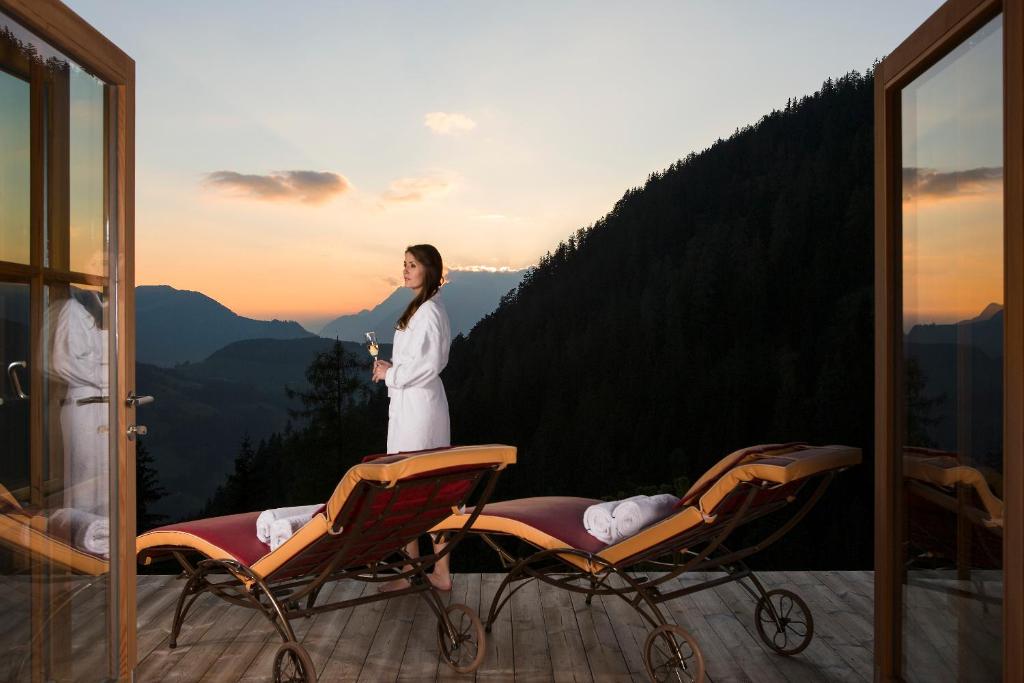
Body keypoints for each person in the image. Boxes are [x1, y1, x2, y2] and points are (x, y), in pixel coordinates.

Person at [372, 244, 453, 591]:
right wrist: (391, 369)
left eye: (412, 265)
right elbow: (416, 362)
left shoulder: (430, 312)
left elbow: (429, 364)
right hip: (410, 407)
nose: (405, 270)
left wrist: (391, 376)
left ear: (429, 270)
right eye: (404, 264)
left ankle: (440, 573)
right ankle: (413, 571)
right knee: (406, 490)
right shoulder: (419, 308)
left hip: (420, 411)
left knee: (426, 488)